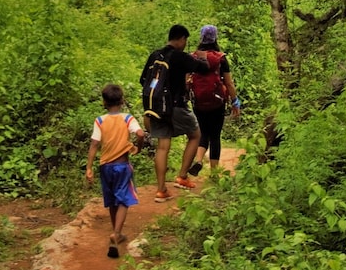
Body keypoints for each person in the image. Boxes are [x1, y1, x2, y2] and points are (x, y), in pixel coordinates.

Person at [140, 24, 210, 202]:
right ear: (181, 39)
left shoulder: (155, 55)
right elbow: (204, 68)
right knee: (195, 135)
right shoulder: (180, 56)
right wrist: (202, 57)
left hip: (155, 107)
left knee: (163, 147)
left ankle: (161, 190)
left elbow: (143, 80)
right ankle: (182, 176)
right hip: (176, 106)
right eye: (185, 40)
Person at [86, 84, 146, 258]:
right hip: (122, 166)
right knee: (124, 199)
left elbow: (94, 144)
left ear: (104, 102)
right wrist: (138, 147)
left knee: (112, 200)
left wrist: (89, 167)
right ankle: (116, 234)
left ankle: (117, 233)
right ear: (122, 100)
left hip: (105, 166)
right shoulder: (127, 119)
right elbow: (141, 134)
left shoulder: (100, 120)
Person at [188, 24, 241, 176]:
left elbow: (187, 80)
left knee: (203, 133)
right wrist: (234, 101)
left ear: (201, 38)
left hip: (198, 102)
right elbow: (229, 83)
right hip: (217, 102)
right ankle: (214, 173)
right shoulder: (221, 59)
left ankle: (198, 160)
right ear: (215, 38)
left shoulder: (193, 57)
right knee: (215, 136)